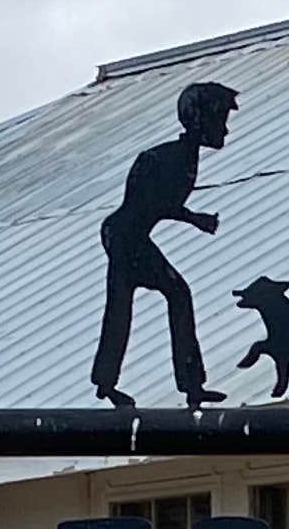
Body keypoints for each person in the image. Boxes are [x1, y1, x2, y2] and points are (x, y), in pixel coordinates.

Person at [92, 79, 237, 404]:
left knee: (163, 296)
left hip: (132, 236)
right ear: (201, 121)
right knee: (132, 302)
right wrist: (194, 218)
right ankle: (112, 383)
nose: (224, 131)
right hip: (123, 236)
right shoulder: (162, 158)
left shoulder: (185, 159)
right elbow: (151, 204)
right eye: (220, 121)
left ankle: (188, 386)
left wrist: (192, 217)